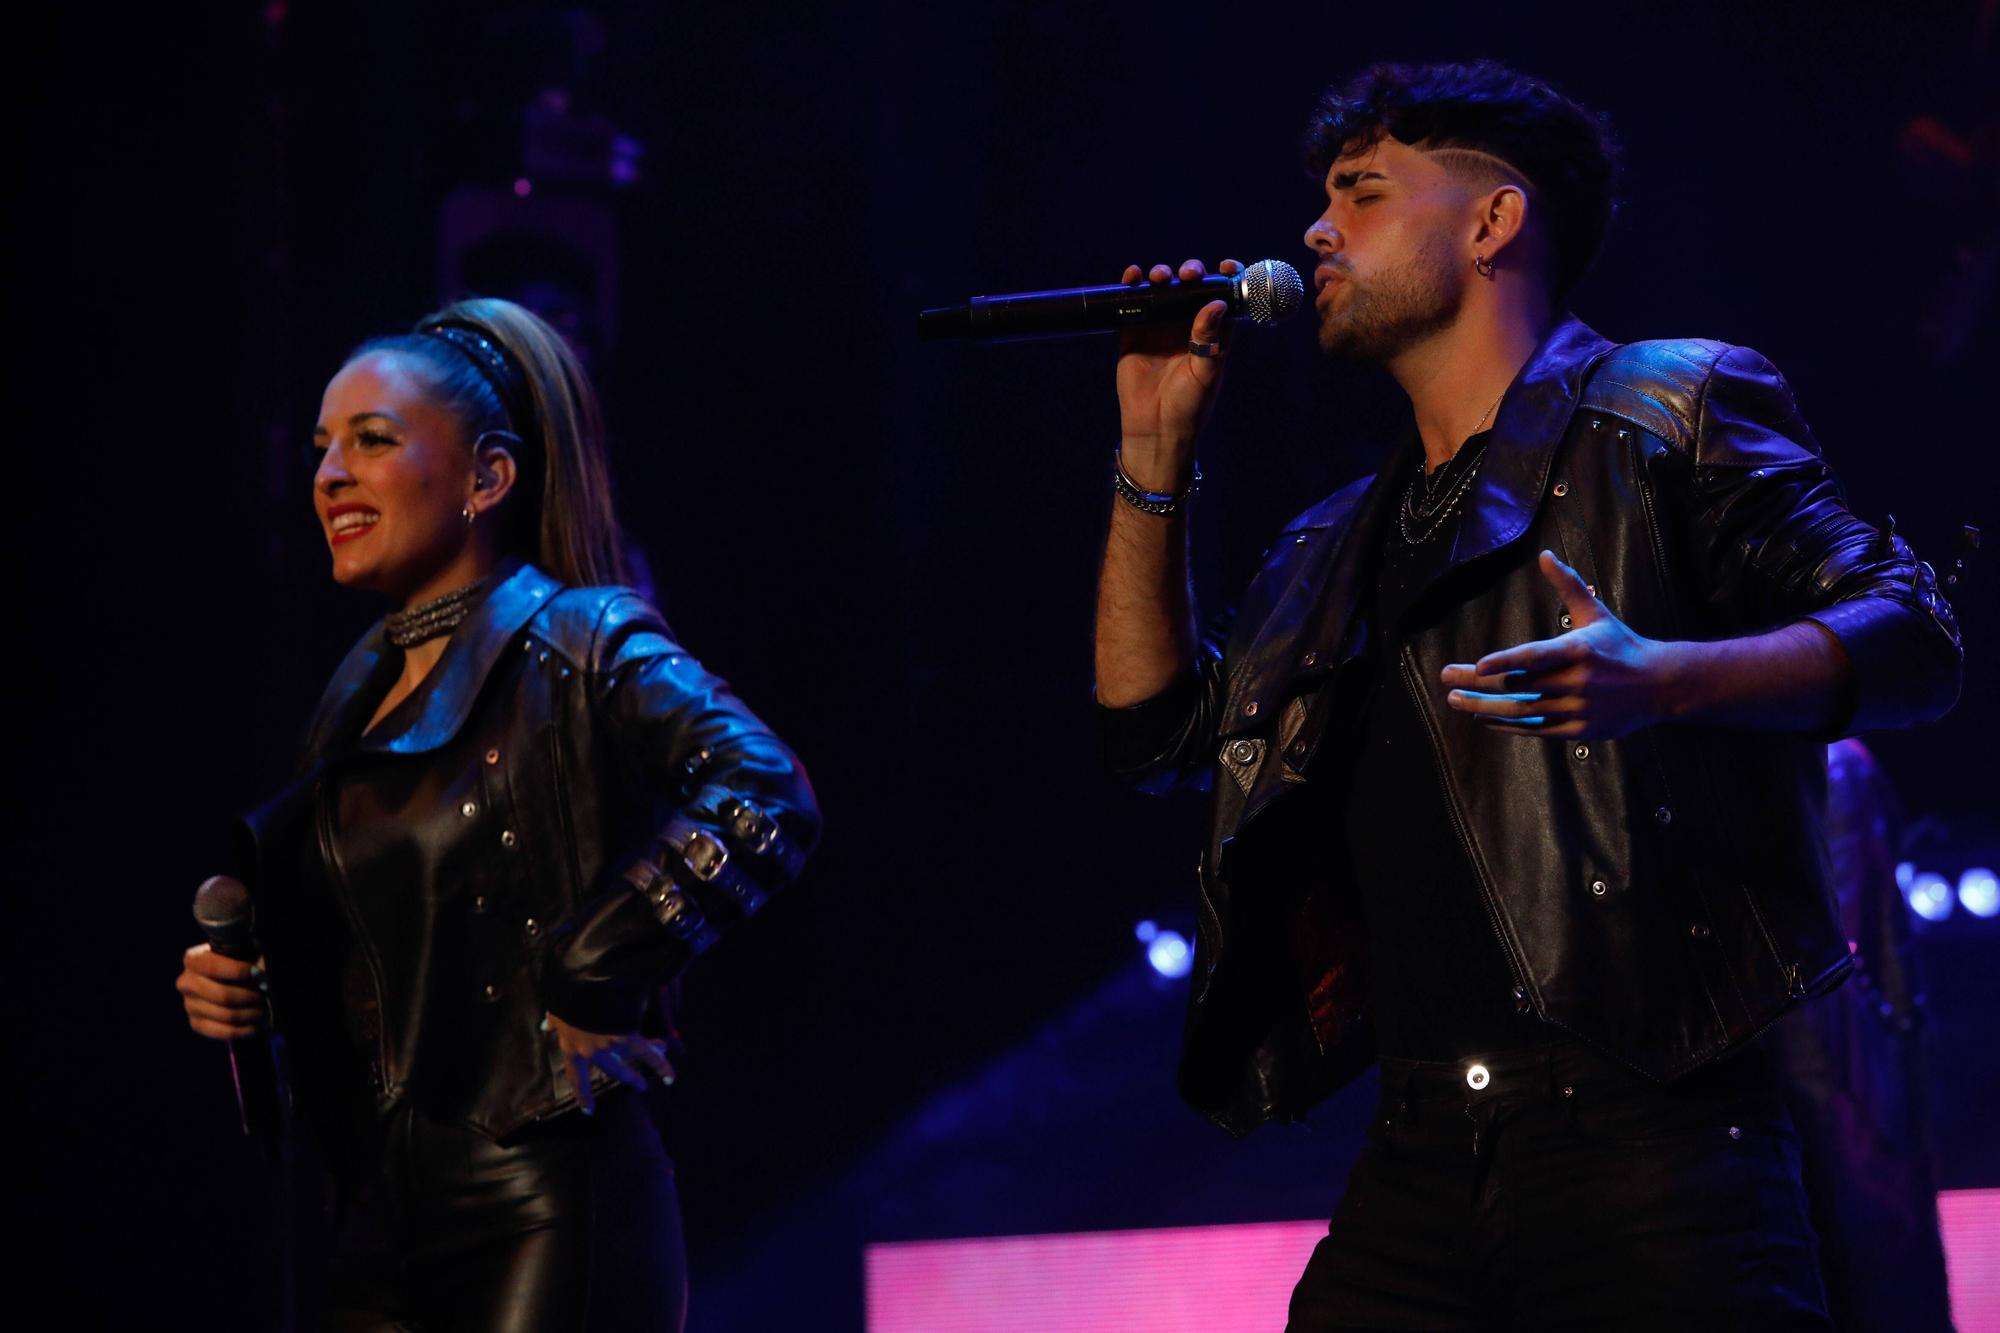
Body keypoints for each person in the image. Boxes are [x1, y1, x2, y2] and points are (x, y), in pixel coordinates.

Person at [1093, 61, 1962, 1329]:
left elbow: (1911, 633)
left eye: (1362, 193)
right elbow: (1151, 733)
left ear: (1494, 223)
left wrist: (1665, 679)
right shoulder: (1329, 546)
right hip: (1420, 1154)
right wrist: (1151, 454)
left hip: (1648, 1147)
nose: (1314, 232)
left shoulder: (1665, 405)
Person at [175, 297, 820, 1331]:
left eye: (372, 441)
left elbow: (763, 790)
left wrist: (600, 962)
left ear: (487, 476)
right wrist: (250, 991)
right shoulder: (350, 704)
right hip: (379, 1220)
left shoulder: (580, 636)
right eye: (322, 447)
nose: (329, 474)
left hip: (545, 1200)